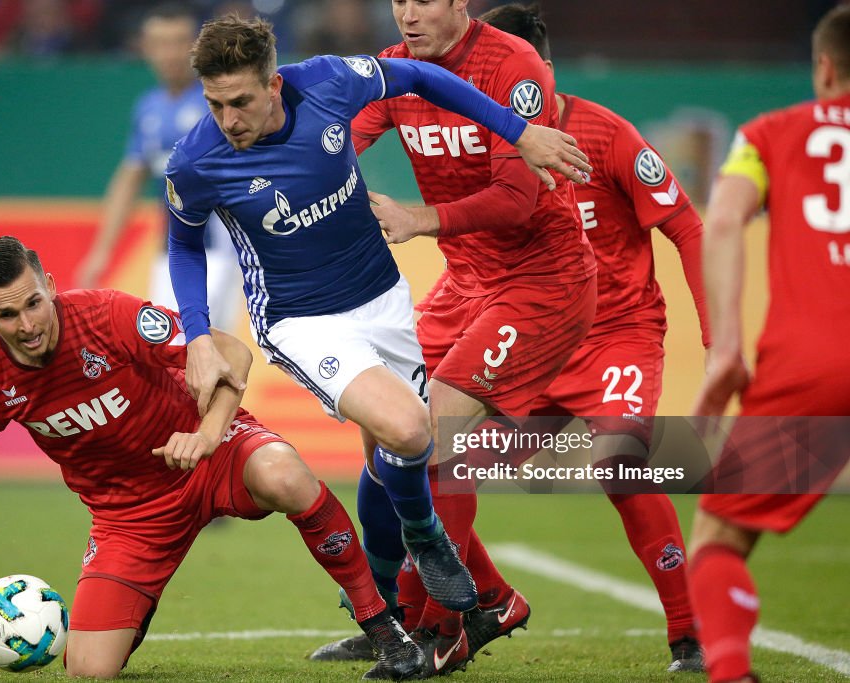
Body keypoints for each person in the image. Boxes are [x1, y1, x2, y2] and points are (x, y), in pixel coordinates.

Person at [164, 15, 591, 679]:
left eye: (241, 101)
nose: (229, 119)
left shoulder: (331, 83)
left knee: (384, 456)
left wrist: (520, 130)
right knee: (408, 428)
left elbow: (420, 76)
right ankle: (427, 538)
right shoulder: (197, 160)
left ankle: (389, 615)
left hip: (383, 300)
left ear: (274, 85)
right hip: (301, 319)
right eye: (216, 104)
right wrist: (197, 334)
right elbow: (184, 241)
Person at [316, 3, 710, 673]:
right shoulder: (408, 79)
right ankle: (444, 610)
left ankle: (688, 633)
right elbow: (340, 138)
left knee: (618, 460)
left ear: (543, 74)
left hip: (607, 328)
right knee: (405, 448)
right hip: (479, 296)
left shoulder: (602, 133)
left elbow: (686, 226)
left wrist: (716, 334)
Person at [0, 236, 424, 681]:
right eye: (8, 315)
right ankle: (136, 602)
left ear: (50, 286)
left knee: (286, 473)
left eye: (35, 303)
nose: (29, 324)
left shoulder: (107, 315)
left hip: (209, 456)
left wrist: (207, 433)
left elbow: (232, 353)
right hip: (129, 517)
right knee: (87, 669)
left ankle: (381, 625)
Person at [307, 1, 598, 675]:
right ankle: (453, 608)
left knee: (439, 438)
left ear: (459, 2)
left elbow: (519, 197)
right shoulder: (392, 68)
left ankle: (440, 629)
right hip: (466, 280)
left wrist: (422, 217)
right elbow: (343, 139)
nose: (408, 11)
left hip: (541, 279)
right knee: (387, 435)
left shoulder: (512, 66)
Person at [688, 6, 850, 682]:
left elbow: (722, 218)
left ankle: (730, 670)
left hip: (815, 360)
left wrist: (727, 342)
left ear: (823, 66)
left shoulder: (769, 133)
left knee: (718, 539)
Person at [76, 3, 244, 333]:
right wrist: (101, 251)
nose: (170, 53)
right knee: (174, 353)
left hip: (219, 247)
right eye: (160, 43)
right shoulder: (148, 107)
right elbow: (130, 177)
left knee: (201, 346)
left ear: (196, 46)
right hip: (171, 251)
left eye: (179, 41)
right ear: (146, 47)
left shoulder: (218, 100)